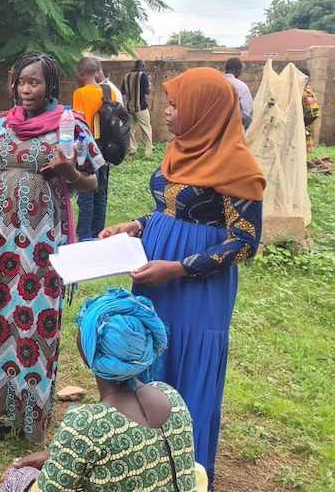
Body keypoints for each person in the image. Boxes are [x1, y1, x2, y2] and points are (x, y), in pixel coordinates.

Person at [100, 67, 265, 490]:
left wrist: (178, 268)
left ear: (204, 111)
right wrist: (134, 225)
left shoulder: (237, 167)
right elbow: (168, 210)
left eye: (175, 105)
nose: (167, 112)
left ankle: (183, 473)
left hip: (196, 290)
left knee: (185, 362)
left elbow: (244, 242)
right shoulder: (181, 150)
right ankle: (141, 463)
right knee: (149, 356)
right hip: (155, 278)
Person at [0, 51, 104, 442]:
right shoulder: (0, 124)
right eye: (21, 82)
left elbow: (92, 182)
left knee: (32, 320)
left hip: (39, 245)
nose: (25, 89)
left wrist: (70, 171)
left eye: (33, 82)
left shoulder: (70, 125)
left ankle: (27, 416)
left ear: (50, 85)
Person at [0, 289, 200, 492]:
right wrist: (57, 453)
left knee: (18, 478)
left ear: (88, 351)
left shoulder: (87, 424)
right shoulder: (171, 396)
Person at [72, 56, 112, 240]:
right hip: (105, 148)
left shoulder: (79, 94)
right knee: (101, 192)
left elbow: (79, 125)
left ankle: (84, 235)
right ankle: (98, 232)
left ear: (81, 73)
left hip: (87, 150)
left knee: (86, 194)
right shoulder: (107, 91)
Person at [121, 59, 154, 156]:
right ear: (143, 66)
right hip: (141, 106)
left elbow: (122, 91)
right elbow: (147, 91)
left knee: (130, 129)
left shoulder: (126, 76)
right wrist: (149, 82)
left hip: (129, 107)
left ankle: (132, 150)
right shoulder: (143, 76)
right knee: (146, 128)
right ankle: (148, 150)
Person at [223, 58, 253, 129]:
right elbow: (247, 113)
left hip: (212, 130)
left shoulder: (214, 82)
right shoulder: (241, 87)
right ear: (238, 70)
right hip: (233, 129)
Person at [299, 67, 320, 154]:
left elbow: (314, 115)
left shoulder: (306, 95)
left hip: (305, 135)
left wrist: (301, 125)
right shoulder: (300, 92)